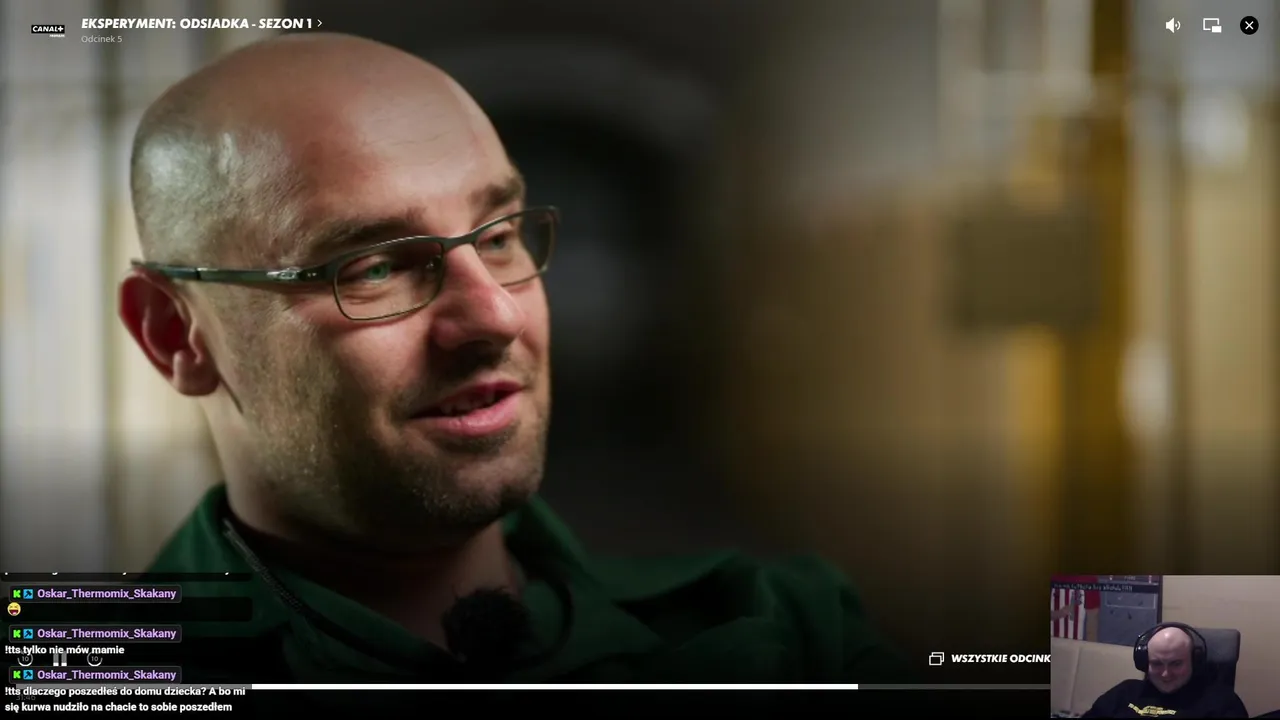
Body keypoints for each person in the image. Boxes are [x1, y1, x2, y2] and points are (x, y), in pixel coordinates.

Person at [117, 32, 911, 691]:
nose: (496, 316)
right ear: (174, 334)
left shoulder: (789, 636)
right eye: (374, 266)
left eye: (499, 238)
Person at [1081, 624, 1248, 718]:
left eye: (1176, 664)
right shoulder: (1123, 693)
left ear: (1195, 660)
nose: (1166, 674)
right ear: (1144, 662)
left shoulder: (1222, 703)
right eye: (1157, 664)